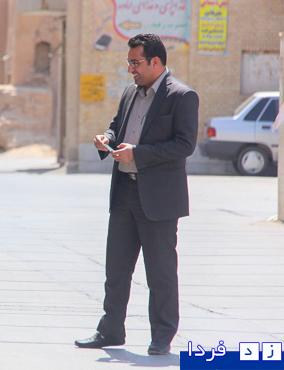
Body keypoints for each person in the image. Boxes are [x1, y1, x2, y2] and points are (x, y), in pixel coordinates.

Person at [75, 34, 199, 355]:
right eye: (129, 62)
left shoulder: (182, 96)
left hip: (158, 200)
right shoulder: (130, 92)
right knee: (116, 270)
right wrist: (107, 138)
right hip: (124, 194)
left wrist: (138, 154)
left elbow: (185, 144)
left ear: (155, 62)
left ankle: (162, 336)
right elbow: (118, 126)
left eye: (135, 63)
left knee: (160, 273)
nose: (130, 69)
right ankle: (111, 330)